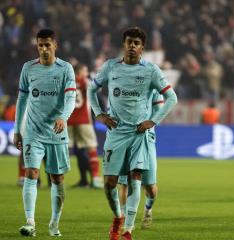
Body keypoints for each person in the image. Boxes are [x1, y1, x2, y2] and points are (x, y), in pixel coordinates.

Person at [87, 27, 177, 240]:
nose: (132, 46)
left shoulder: (151, 70)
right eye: (129, 42)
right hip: (116, 133)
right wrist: (99, 114)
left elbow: (172, 97)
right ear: (124, 44)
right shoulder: (110, 67)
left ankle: (127, 230)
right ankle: (118, 217)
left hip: (139, 135)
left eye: (136, 43)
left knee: (136, 179)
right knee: (110, 184)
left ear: (142, 48)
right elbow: (91, 90)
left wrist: (152, 121)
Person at [13, 28, 76, 237]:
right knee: (31, 173)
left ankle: (54, 223)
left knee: (57, 179)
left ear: (55, 45)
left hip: (56, 132)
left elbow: (70, 99)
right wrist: (17, 129)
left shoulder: (66, 69)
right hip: (32, 131)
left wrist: (63, 117)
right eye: (40, 45)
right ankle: (30, 222)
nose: (44, 49)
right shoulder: (28, 68)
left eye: (47, 44)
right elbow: (22, 100)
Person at [118, 90, 164, 230]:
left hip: (146, 139)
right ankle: (124, 217)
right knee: (124, 182)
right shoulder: (121, 84)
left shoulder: (154, 89)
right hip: (124, 138)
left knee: (149, 186)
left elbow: (159, 113)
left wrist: (149, 123)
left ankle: (148, 209)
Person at [68, 63, 102, 188]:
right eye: (85, 71)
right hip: (84, 120)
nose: (86, 73)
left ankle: (55, 179)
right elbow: (97, 88)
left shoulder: (66, 82)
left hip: (68, 121)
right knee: (91, 148)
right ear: (79, 72)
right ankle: (96, 178)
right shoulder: (85, 82)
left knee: (62, 150)